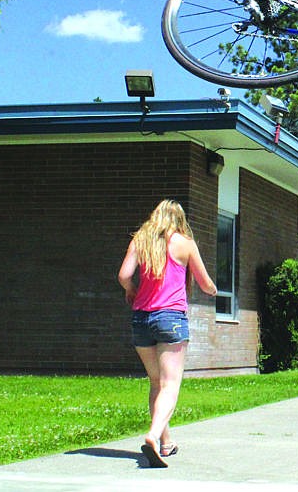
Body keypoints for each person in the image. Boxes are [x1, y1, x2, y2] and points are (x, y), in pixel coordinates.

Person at [117, 199, 217, 468]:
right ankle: (152, 435)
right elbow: (205, 282)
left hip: (141, 319)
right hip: (170, 319)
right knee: (170, 385)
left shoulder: (142, 240)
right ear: (179, 221)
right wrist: (214, 291)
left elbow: (124, 274)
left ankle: (166, 442)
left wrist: (131, 290)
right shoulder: (184, 243)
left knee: (156, 383)